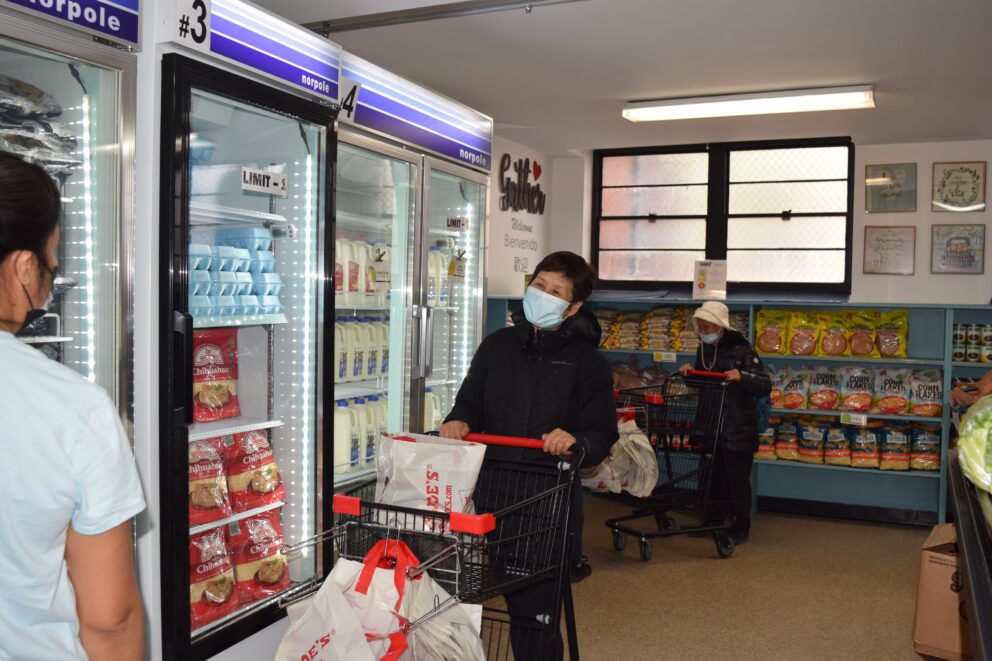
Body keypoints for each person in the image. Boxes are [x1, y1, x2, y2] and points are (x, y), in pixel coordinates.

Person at [0, 152, 146, 660]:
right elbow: (110, 621)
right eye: (50, 262)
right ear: (22, 265)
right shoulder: (73, 409)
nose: (50, 277)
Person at [440, 251, 617, 660]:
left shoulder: (587, 363)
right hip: (485, 495)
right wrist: (458, 422)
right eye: (539, 285)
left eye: (557, 291)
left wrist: (573, 439)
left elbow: (601, 432)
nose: (543, 294)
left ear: (573, 307)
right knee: (460, 602)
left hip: (545, 502)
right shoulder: (496, 346)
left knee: (531, 616)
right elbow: (468, 403)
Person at [677, 301, 770, 544]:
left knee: (736, 480)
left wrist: (743, 377)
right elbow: (704, 383)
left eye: (708, 327)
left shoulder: (743, 351)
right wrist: (690, 375)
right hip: (710, 423)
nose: (704, 332)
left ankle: (740, 527)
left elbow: (764, 385)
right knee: (710, 477)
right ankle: (710, 521)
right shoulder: (703, 350)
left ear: (720, 326)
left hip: (737, 426)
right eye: (701, 328)